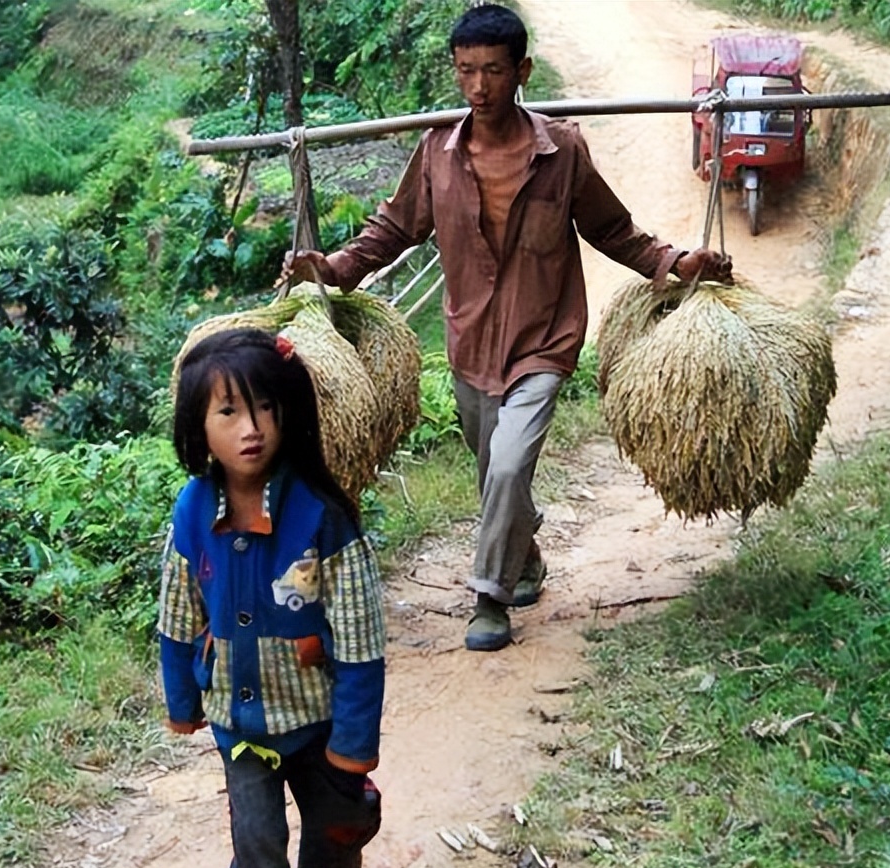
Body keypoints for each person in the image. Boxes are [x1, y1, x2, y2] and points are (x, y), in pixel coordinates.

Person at [277, 3, 732, 653]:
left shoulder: (562, 150)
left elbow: (611, 229)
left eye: (493, 71)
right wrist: (335, 267)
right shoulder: (438, 150)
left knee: (511, 460)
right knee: (496, 467)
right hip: (469, 343)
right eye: (466, 71)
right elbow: (394, 228)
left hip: (544, 339)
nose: (479, 87)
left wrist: (675, 263)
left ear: (522, 70)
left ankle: (489, 597)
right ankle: (526, 556)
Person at [157, 328, 385, 868]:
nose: (251, 429)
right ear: (198, 427)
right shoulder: (190, 514)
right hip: (239, 725)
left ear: (290, 411)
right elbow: (178, 619)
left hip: (317, 717)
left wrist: (354, 742)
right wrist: (183, 703)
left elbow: (360, 641)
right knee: (256, 843)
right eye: (229, 412)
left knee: (339, 827)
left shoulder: (324, 517)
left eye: (265, 407)